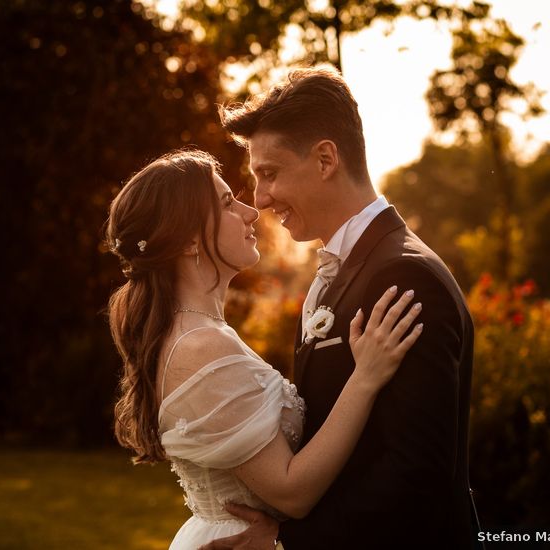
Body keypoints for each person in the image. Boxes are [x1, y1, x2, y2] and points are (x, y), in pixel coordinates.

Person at [204, 66, 482, 549]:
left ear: (326, 158)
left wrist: (291, 541)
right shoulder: (344, 269)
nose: (261, 199)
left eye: (269, 173)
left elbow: (417, 476)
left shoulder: (404, 276)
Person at [105, 149, 425, 550]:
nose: (250, 211)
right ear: (188, 240)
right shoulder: (201, 346)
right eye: (226, 203)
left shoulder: (202, 333)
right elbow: (292, 492)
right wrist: (365, 377)